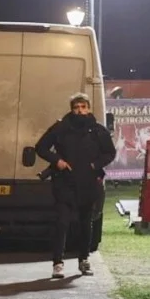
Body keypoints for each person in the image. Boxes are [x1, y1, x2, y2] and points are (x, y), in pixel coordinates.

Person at [34, 93, 116, 279]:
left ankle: (84, 260)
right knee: (62, 223)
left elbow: (110, 153)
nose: (79, 111)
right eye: (76, 107)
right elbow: (41, 147)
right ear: (71, 109)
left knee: (86, 224)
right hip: (65, 181)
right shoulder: (61, 128)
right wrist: (58, 161)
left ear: (88, 108)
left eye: (83, 107)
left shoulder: (97, 130)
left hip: (88, 183)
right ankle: (57, 263)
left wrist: (95, 165)